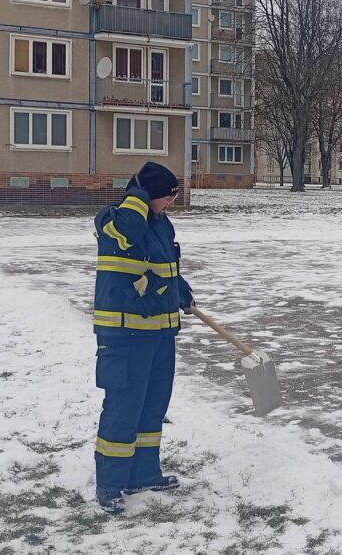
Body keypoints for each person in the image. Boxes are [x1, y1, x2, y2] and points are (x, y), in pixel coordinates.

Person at [91, 162, 195, 514]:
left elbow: (165, 266)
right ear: (148, 195)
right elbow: (128, 235)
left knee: (153, 406)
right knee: (124, 408)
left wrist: (181, 290)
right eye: (168, 196)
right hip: (125, 334)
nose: (172, 203)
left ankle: (144, 473)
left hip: (160, 334)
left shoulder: (161, 223)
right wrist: (137, 197)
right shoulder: (115, 219)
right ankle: (111, 484)